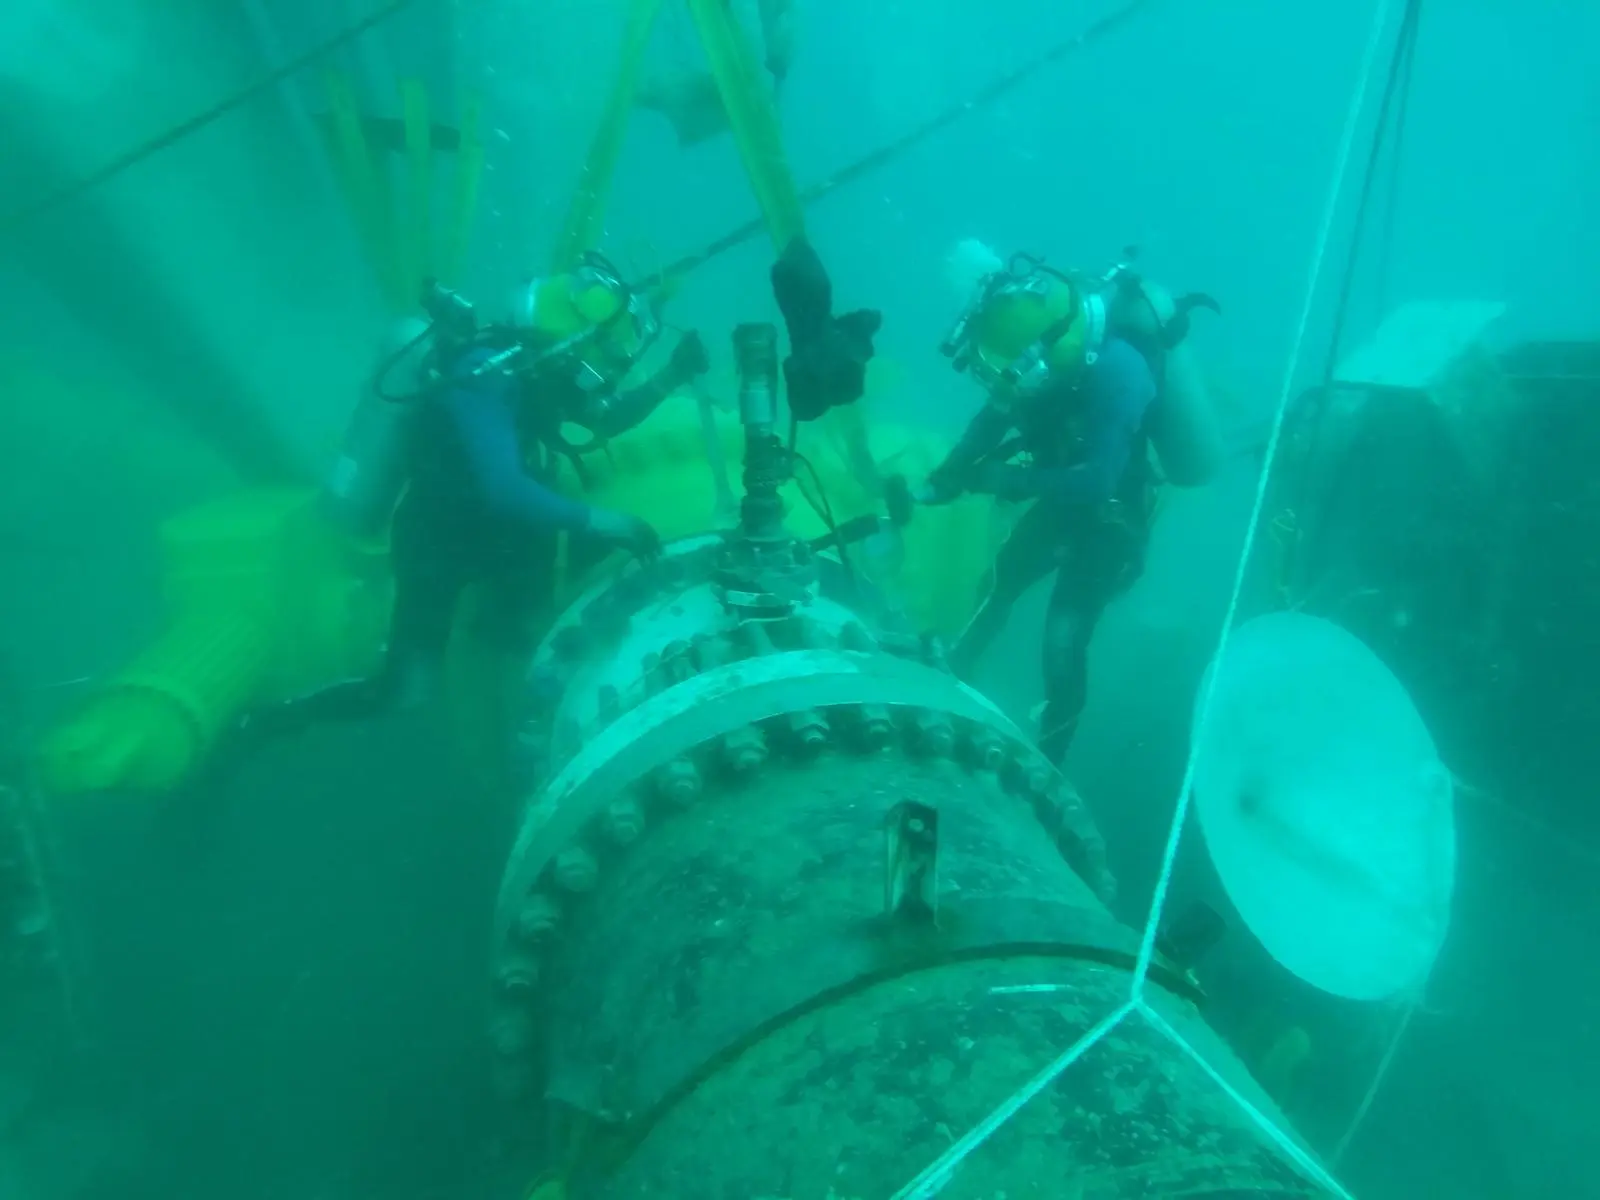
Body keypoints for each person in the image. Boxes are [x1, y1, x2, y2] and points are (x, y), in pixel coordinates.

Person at [243, 253, 710, 750]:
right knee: (405, 691)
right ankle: (280, 717)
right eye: (604, 359)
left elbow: (604, 419)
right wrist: (604, 520)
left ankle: (502, 647)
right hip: (438, 544)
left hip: (511, 534)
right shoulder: (482, 372)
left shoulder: (544, 368)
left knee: (523, 627)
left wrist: (671, 378)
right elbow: (503, 486)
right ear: (572, 343)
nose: (605, 374)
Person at [918, 250, 1219, 767]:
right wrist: (952, 471)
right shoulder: (1037, 359)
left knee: (1063, 639)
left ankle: (1047, 761)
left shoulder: (1121, 374)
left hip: (1111, 517)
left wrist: (1004, 477)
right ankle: (950, 679)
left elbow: (1099, 478)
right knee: (1000, 581)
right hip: (1064, 498)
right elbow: (996, 413)